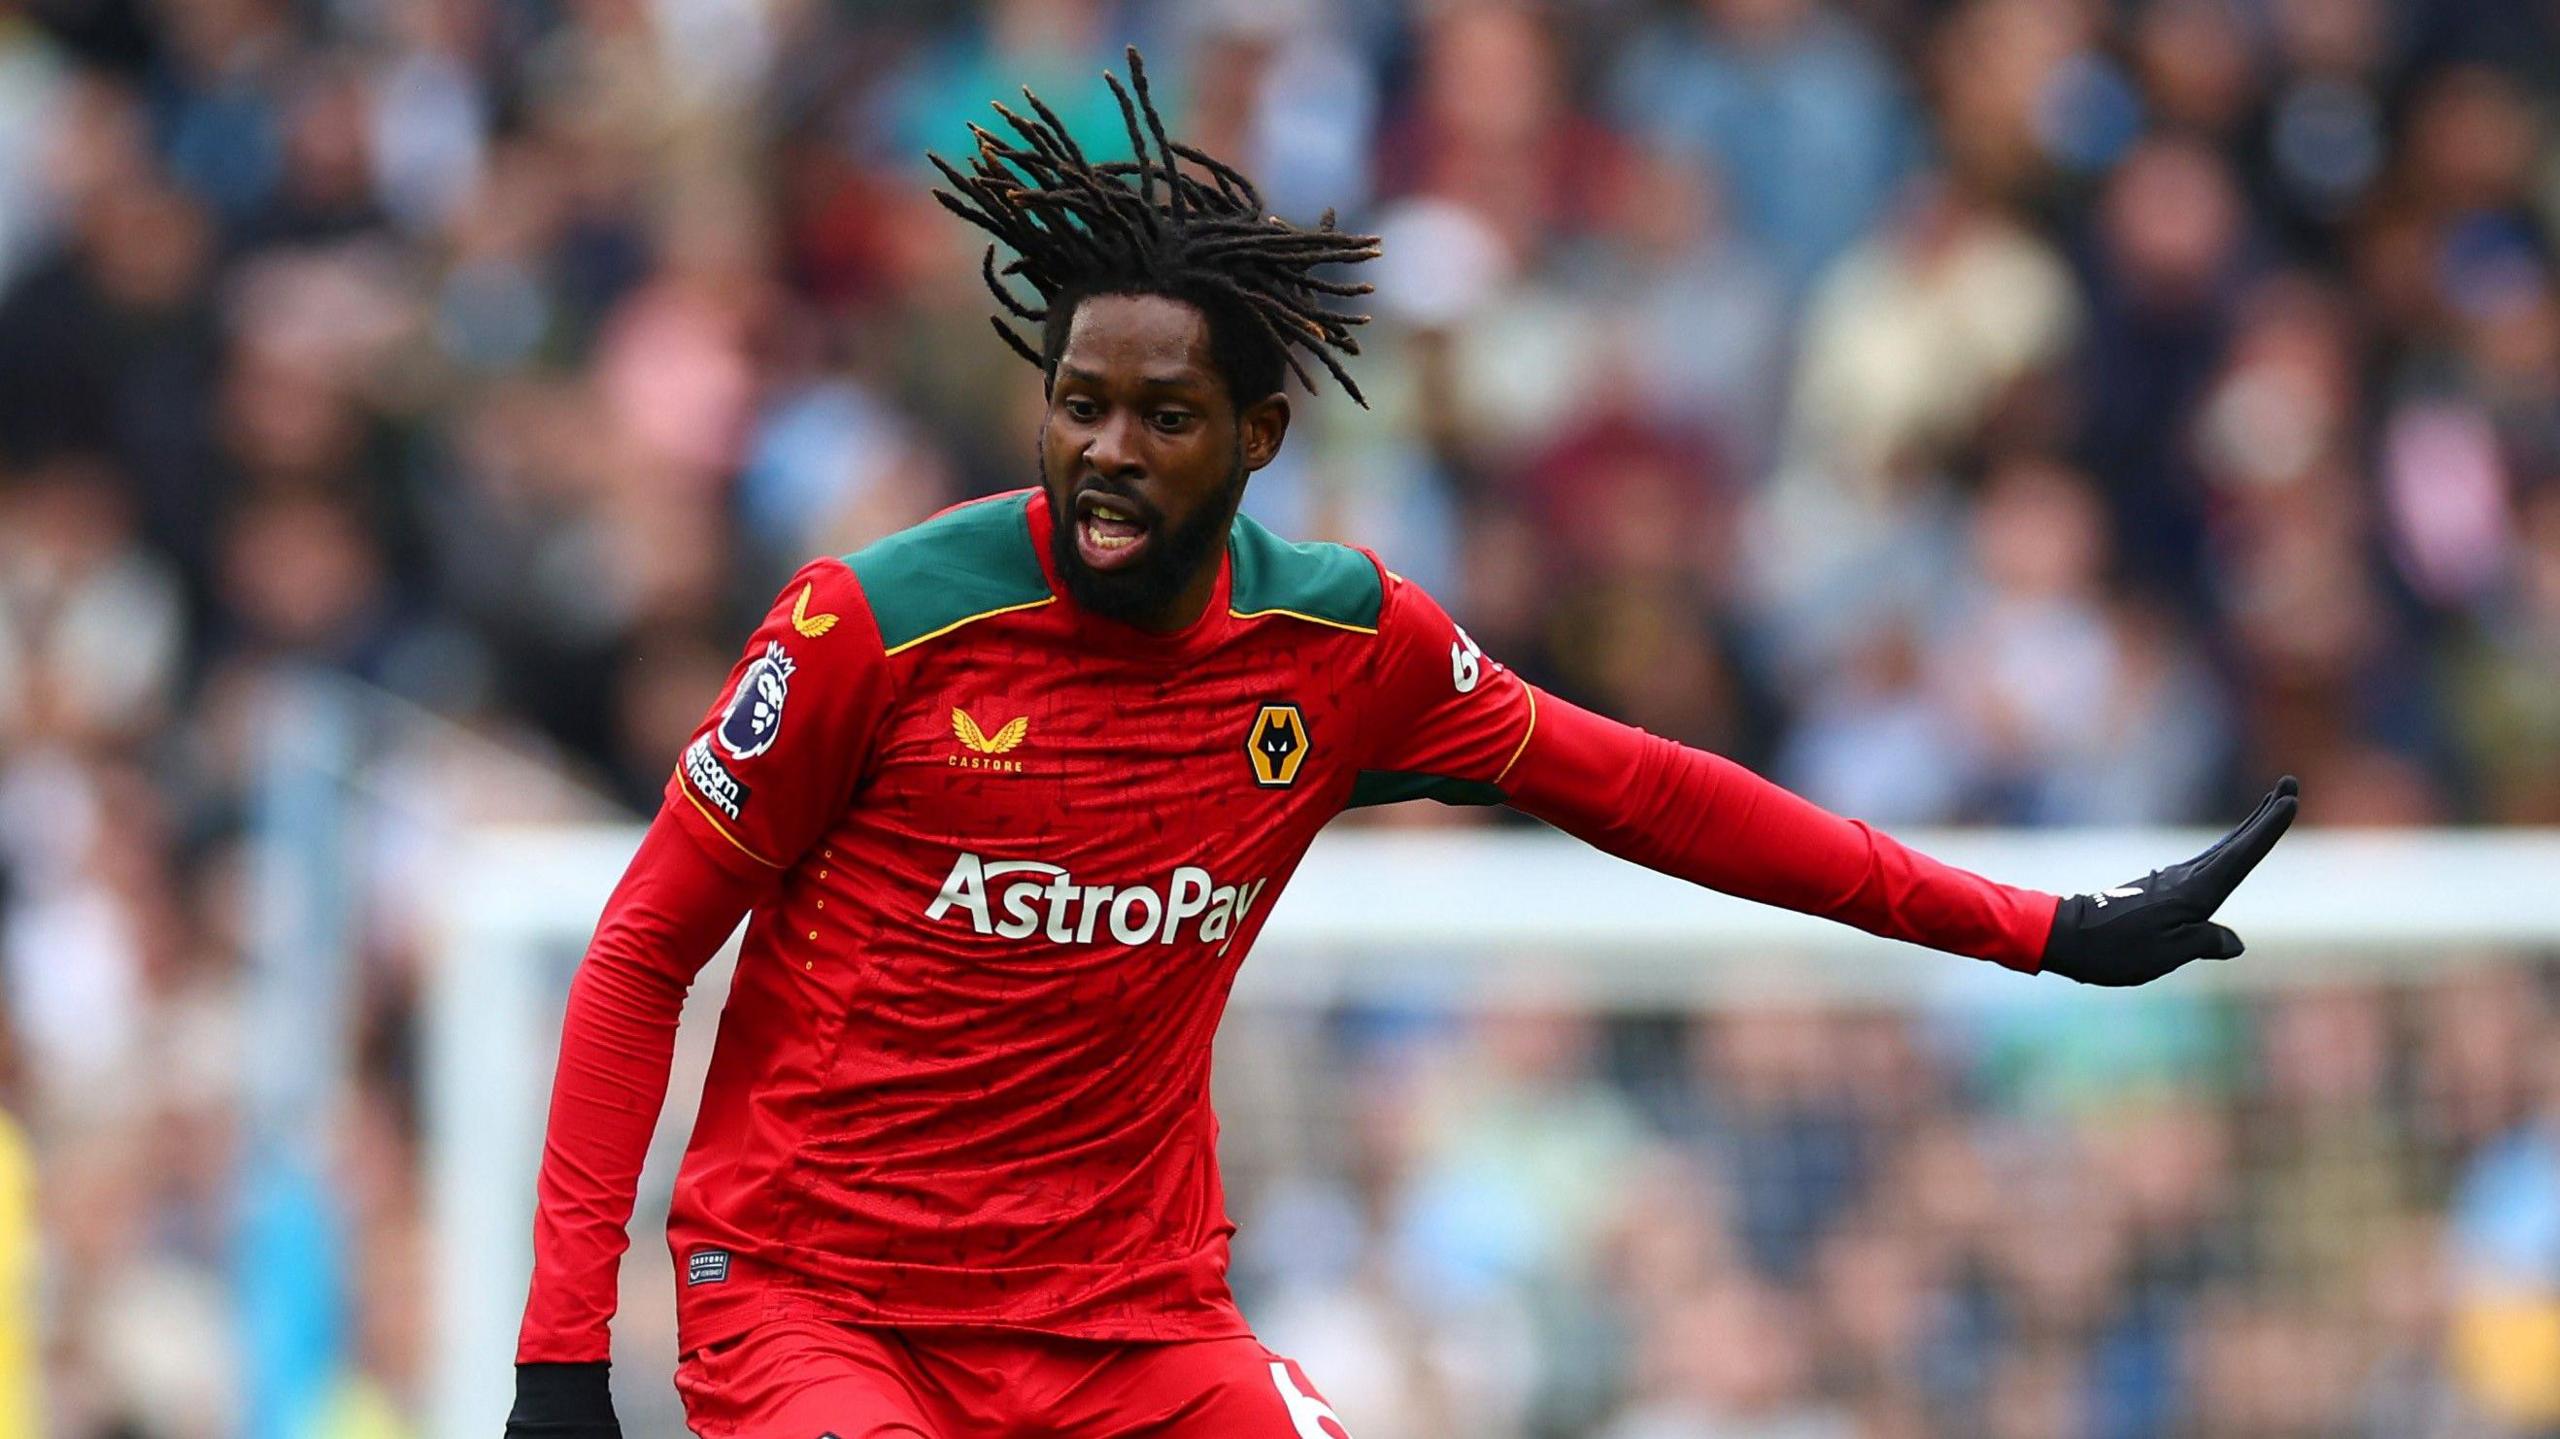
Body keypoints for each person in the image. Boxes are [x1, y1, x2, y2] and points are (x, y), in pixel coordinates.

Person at [504, 50, 2298, 1439]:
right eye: (1078, 404)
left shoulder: (1346, 650)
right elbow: (644, 944)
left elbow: (1660, 798)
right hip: (823, 1304)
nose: (1109, 452)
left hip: (1131, 1325)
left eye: (1167, 415)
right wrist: (561, 1360)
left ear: (1261, 434)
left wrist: (2044, 928)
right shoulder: (878, 626)